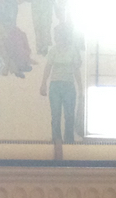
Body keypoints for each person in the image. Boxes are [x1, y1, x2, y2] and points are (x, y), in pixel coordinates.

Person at [39, 20, 81, 159]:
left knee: (69, 115)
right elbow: (48, 67)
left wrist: (80, 88)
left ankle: (69, 142)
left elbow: (76, 70)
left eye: (57, 34)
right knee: (55, 116)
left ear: (63, 35)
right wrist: (43, 84)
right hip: (55, 86)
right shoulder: (53, 50)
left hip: (68, 86)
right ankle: (56, 141)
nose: (55, 37)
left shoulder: (73, 49)